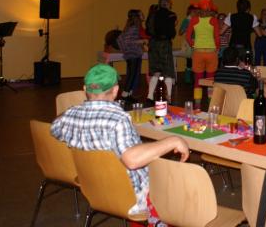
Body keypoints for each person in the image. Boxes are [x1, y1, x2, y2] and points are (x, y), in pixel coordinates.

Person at [51, 63, 189, 225]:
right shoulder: (119, 119)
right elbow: (132, 160)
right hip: (130, 197)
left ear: (85, 89)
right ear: (116, 90)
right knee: (179, 178)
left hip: (93, 189)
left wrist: (76, 111)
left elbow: (54, 126)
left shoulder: (70, 115)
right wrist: (173, 140)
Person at [146, 0, 177, 102]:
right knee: (168, 71)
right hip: (164, 44)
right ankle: (168, 97)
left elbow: (148, 30)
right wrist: (174, 24)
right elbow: (172, 33)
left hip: (153, 44)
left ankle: (150, 96)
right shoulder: (171, 15)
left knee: (156, 71)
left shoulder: (152, 14)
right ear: (168, 3)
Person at [185, 0, 220, 87]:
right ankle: (210, 96)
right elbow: (217, 37)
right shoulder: (214, 20)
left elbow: (188, 37)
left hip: (198, 52)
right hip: (211, 52)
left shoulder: (194, 19)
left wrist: (193, 45)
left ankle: (198, 96)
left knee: (198, 79)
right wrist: (217, 48)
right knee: (210, 80)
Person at [117, 9, 145, 100]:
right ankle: (125, 95)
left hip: (132, 54)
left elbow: (123, 39)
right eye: (140, 15)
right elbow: (127, 41)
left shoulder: (131, 27)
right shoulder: (134, 28)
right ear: (137, 17)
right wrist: (141, 41)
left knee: (132, 75)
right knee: (132, 75)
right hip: (132, 54)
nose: (142, 16)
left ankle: (128, 94)